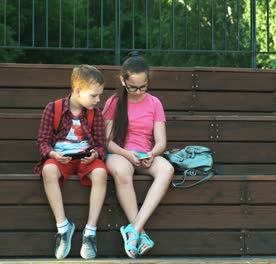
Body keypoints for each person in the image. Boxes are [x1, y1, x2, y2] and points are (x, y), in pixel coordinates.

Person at [103, 52, 174, 258]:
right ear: (123, 80)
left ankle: (133, 229)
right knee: (122, 171)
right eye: (133, 87)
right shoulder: (114, 102)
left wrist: (151, 154)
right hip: (120, 152)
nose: (137, 91)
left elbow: (161, 141)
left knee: (166, 169)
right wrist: (126, 153)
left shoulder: (154, 103)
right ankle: (140, 233)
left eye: (143, 87)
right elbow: (107, 140)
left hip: (144, 153)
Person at [35, 65, 108, 259]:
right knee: (48, 171)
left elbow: (101, 144)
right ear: (77, 91)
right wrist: (52, 154)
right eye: (94, 95)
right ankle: (63, 227)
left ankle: (90, 232)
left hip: (85, 158)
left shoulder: (95, 113)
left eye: (100, 95)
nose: (98, 100)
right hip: (61, 158)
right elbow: (42, 141)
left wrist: (95, 154)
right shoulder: (54, 108)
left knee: (101, 173)